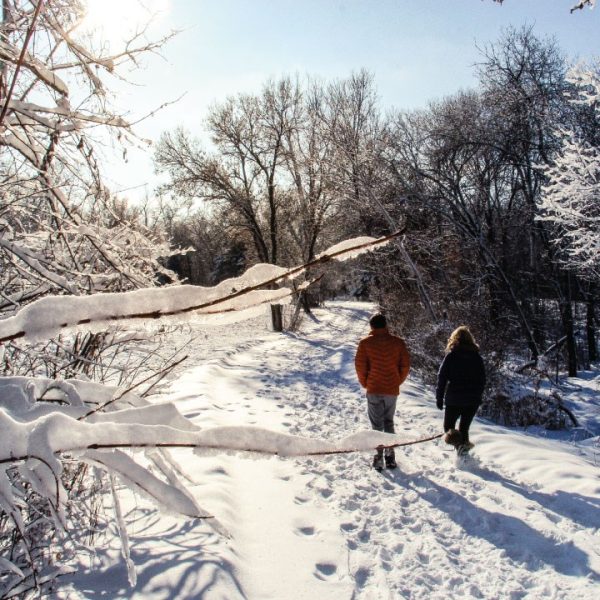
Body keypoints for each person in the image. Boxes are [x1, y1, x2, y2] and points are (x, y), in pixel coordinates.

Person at [355, 313, 411, 471]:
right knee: (389, 422)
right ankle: (390, 457)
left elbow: (360, 366)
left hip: (374, 388)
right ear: (386, 325)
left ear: (371, 326)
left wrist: (366, 383)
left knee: (376, 425)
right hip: (391, 390)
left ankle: (378, 458)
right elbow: (405, 366)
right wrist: (396, 381)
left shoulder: (365, 343)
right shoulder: (398, 343)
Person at [436, 326, 486, 455]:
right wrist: (478, 396)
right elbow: (482, 380)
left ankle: (461, 451)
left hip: (455, 398)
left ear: (455, 339)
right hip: (472, 399)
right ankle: (463, 451)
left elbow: (442, 378)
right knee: (464, 428)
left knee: (448, 428)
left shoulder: (451, 356)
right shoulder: (476, 357)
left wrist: (439, 397)